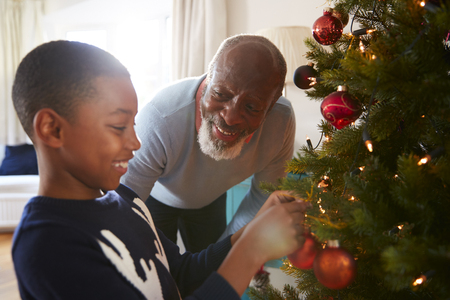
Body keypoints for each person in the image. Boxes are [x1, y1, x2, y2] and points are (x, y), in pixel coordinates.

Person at [11, 40, 309, 299]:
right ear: (52, 129)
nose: (136, 143)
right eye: (118, 127)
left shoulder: (127, 205)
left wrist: (248, 234)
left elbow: (183, 271)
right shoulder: (47, 246)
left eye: (132, 125)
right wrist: (251, 251)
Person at [121, 34, 296, 252]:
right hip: (152, 199)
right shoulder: (159, 119)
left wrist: (223, 254)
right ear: (206, 82)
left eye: (251, 107)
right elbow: (121, 205)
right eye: (221, 94)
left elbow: (264, 197)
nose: (231, 118)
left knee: (209, 274)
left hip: (209, 201)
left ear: (270, 108)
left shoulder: (282, 122)